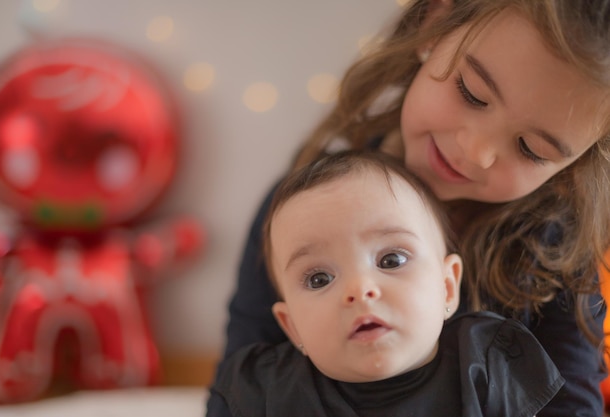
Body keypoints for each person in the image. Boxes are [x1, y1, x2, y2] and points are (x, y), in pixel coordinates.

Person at [212, 1, 610, 416]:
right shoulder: (297, 217)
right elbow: (234, 393)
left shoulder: (557, 254)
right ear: (434, 27)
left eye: (532, 149)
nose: (475, 153)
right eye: (471, 93)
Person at [207, 150, 565, 417]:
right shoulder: (268, 392)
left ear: (447, 287)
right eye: (319, 279)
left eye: (391, 260)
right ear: (291, 326)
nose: (360, 289)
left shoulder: (486, 368)